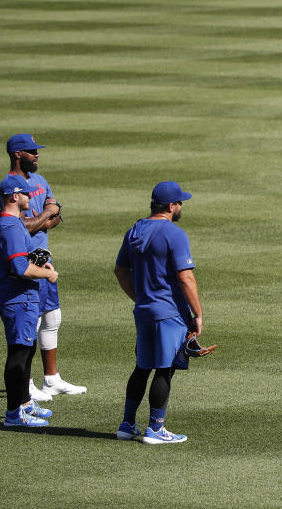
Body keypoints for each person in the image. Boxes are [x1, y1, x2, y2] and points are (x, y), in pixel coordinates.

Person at [113, 181, 204, 445]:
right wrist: (197, 314)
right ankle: (155, 428)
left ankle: (127, 424)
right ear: (171, 206)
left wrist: (140, 297)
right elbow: (186, 278)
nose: (181, 207)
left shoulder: (135, 230)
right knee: (165, 368)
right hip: (170, 313)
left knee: (142, 367)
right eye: (180, 203)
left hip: (143, 311)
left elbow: (120, 271)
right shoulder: (174, 234)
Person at [2, 134, 86, 400]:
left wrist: (45, 218)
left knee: (52, 318)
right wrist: (45, 216)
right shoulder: (10, 185)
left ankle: (51, 379)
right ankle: (25, 385)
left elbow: (55, 213)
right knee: (31, 323)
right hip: (25, 262)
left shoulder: (40, 180)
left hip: (44, 259)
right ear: (17, 154)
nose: (36, 155)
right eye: (31, 151)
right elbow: (23, 224)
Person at [0, 174, 59, 428]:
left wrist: (39, 262)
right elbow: (21, 268)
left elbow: (22, 260)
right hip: (17, 298)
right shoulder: (9, 226)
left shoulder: (11, 222)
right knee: (18, 354)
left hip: (21, 297)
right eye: (26, 193)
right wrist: (48, 273)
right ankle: (13, 413)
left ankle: (24, 402)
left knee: (27, 349)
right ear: (13, 197)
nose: (31, 197)